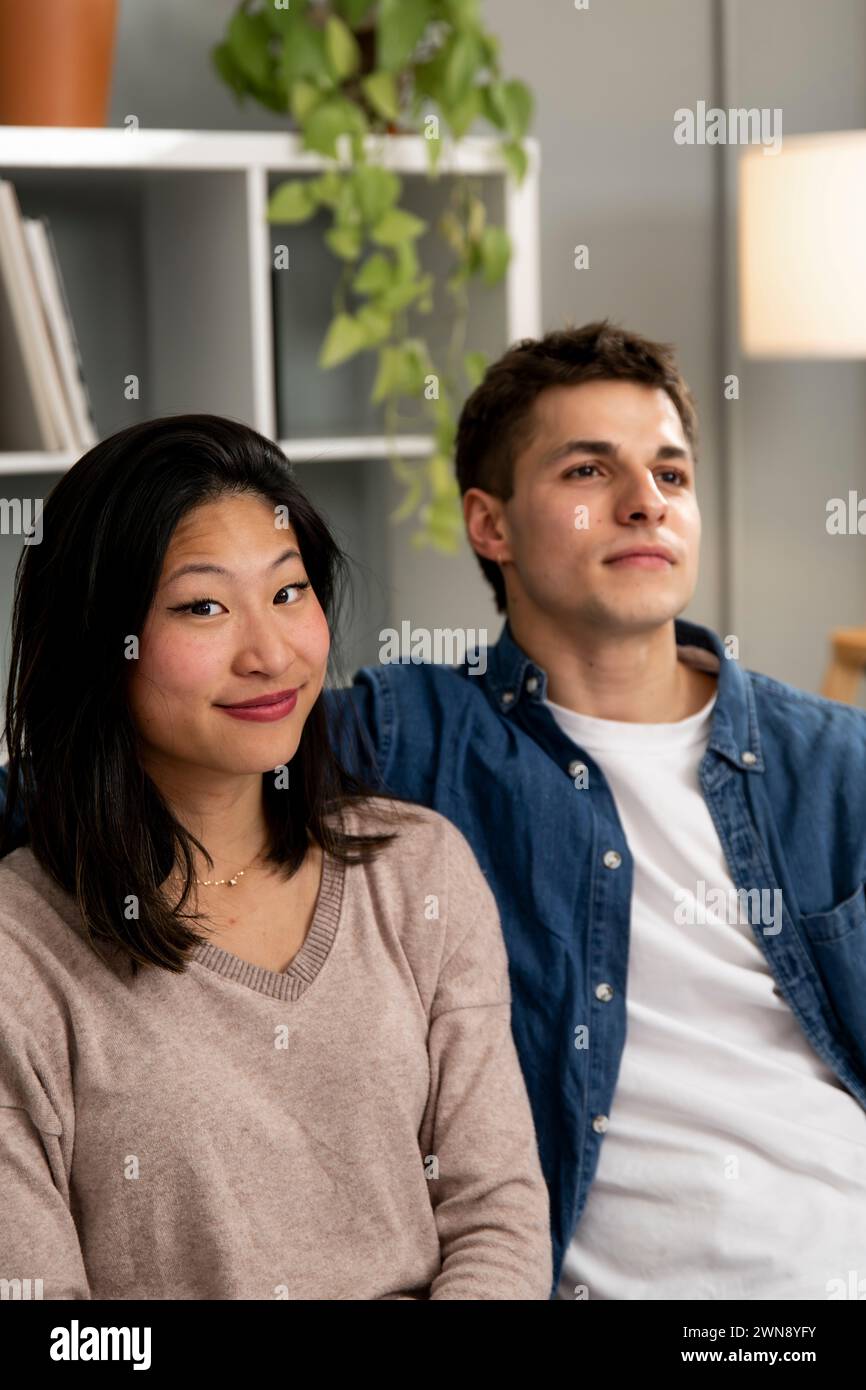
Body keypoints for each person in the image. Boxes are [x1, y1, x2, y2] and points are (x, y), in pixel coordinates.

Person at [0, 416, 552, 1301]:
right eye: (204, 607)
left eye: (289, 593)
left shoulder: (420, 872)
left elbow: (497, 1214)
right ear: (102, 645)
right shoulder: (19, 952)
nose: (271, 654)